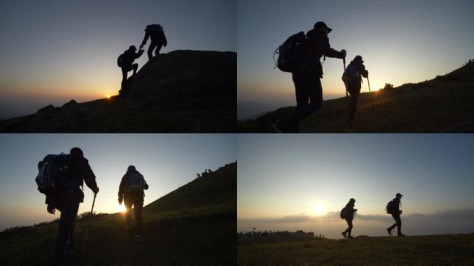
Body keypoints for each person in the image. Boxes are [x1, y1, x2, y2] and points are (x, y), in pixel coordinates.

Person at [272, 21, 346, 133]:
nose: (327, 32)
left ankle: (289, 129)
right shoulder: (320, 35)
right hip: (309, 72)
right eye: (327, 30)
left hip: (297, 74)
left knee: (302, 105)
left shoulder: (305, 39)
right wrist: (341, 54)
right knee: (316, 103)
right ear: (322, 28)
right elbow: (327, 50)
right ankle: (283, 125)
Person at [50, 147, 99, 266]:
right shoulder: (81, 162)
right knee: (64, 231)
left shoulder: (61, 160)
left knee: (67, 223)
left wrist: (50, 202)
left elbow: (51, 181)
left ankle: (68, 246)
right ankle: (59, 260)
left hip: (58, 199)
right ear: (81, 154)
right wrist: (95, 189)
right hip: (71, 197)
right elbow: (90, 179)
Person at [118, 165, 149, 242]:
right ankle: (138, 234)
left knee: (128, 211)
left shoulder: (126, 176)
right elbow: (146, 186)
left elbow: (121, 187)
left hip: (129, 194)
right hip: (139, 194)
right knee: (138, 213)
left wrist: (120, 198)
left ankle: (129, 226)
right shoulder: (140, 175)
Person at [342, 55, 369, 124]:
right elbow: (365, 75)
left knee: (353, 99)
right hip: (356, 85)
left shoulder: (349, 65)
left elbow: (344, 76)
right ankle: (351, 117)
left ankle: (351, 116)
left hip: (348, 85)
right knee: (354, 100)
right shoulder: (360, 65)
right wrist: (366, 72)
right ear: (360, 60)